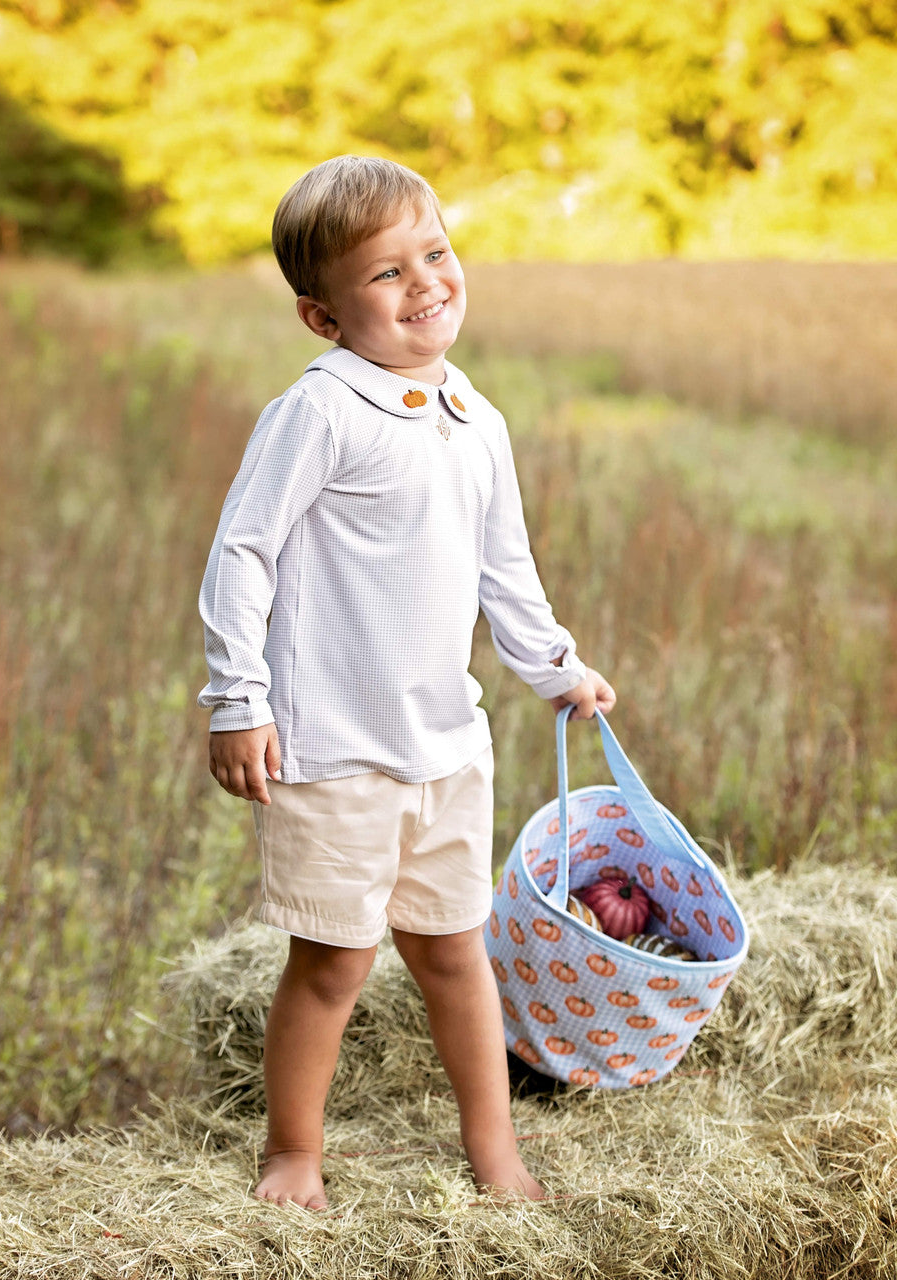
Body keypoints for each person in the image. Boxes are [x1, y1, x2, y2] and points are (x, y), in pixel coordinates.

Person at [197, 155, 616, 1209]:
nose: (426, 280)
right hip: (334, 751)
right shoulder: (319, 410)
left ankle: (494, 1148)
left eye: (434, 251)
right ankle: (293, 1150)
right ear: (321, 314)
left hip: (446, 747)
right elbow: (242, 550)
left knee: (455, 956)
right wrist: (237, 699)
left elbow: (503, 568)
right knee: (333, 965)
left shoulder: (475, 415)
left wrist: (555, 666)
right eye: (386, 273)